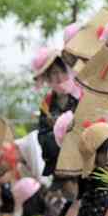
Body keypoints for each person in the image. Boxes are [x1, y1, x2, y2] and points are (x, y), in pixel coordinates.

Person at [31, 47, 81, 177]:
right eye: (54, 73)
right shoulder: (46, 103)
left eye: (61, 71)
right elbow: (42, 136)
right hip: (57, 166)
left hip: (80, 162)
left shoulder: (80, 97)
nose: (59, 77)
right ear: (48, 77)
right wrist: (56, 131)